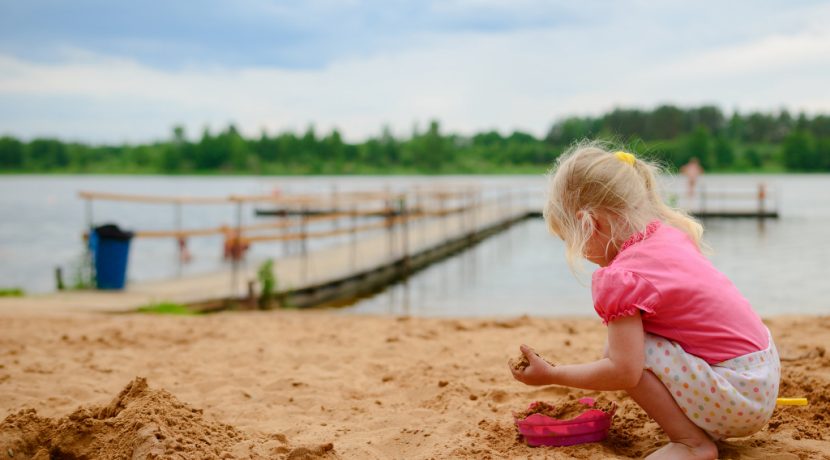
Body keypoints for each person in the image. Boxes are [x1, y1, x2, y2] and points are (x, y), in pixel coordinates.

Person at [510, 141, 779, 460]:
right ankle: (698, 427)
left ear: (591, 223)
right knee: (636, 343)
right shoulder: (669, 235)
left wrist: (552, 375)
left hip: (738, 398)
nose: (581, 253)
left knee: (620, 353)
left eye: (573, 241)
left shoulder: (620, 276)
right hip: (761, 376)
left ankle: (692, 443)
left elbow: (623, 372)